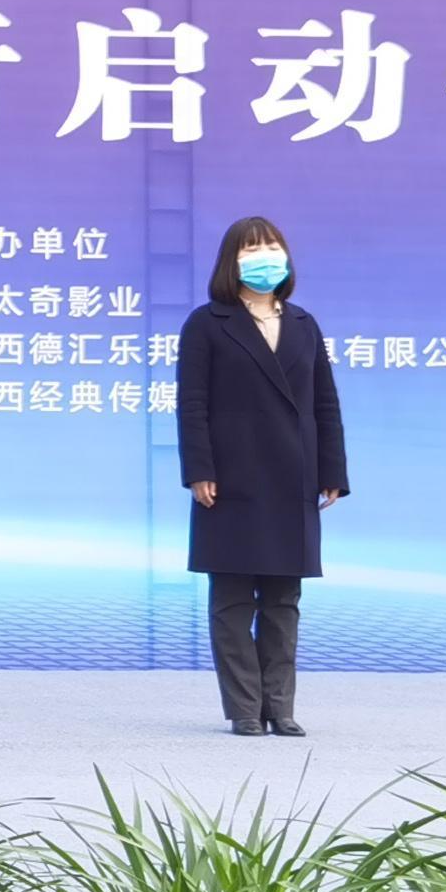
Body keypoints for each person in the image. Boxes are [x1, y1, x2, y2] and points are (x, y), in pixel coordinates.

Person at [175, 216, 349, 738]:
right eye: (252, 249)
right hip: (230, 478)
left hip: (292, 475)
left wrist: (332, 470)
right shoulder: (208, 323)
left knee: (282, 601)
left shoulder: (303, 323)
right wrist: (199, 470)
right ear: (232, 261)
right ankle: (245, 709)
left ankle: (281, 706)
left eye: (272, 246)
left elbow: (325, 403)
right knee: (232, 599)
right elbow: (192, 403)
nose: (265, 256)